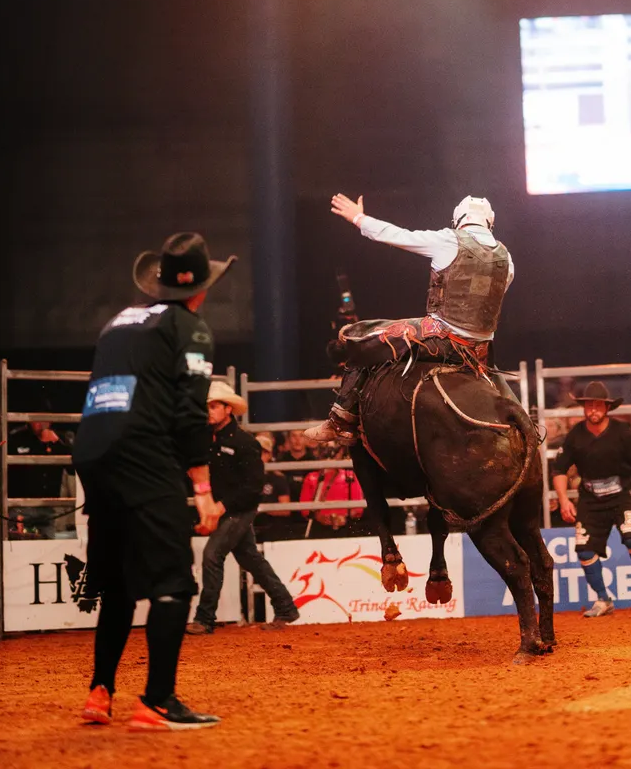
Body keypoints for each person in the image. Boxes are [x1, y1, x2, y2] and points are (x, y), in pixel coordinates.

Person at [72, 232, 234, 731]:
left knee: (118, 583)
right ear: (200, 288)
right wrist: (203, 492)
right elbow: (189, 413)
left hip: (93, 453)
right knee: (173, 582)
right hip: (142, 455)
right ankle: (158, 700)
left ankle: (100, 691)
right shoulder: (191, 327)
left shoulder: (118, 322)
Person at [306, 193, 514, 445]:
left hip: (442, 338)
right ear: (489, 223)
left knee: (360, 335)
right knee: (509, 401)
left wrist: (359, 218)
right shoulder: (506, 258)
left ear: (457, 220)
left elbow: (399, 235)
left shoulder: (449, 240)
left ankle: (341, 419)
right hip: (481, 353)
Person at [187, 382, 299, 634]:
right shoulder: (210, 438)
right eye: (207, 406)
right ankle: (285, 607)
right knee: (251, 558)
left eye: (214, 406)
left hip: (238, 509)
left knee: (212, 555)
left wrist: (221, 505)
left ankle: (204, 619)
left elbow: (254, 486)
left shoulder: (245, 442)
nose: (209, 411)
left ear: (228, 409)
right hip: (228, 509)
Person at [551, 381, 631, 617]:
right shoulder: (575, 436)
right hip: (591, 498)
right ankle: (603, 599)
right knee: (583, 549)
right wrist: (563, 499)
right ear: (583, 408)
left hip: (624, 493)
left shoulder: (623, 432)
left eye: (598, 405)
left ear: (607, 408)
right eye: (589, 405)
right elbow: (559, 469)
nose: (593, 410)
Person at [8, 411, 71, 539]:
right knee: (20, 552)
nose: (40, 423)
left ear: (50, 421)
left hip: (48, 508)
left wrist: (58, 443)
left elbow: (72, 469)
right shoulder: (16, 438)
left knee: (47, 553)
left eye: (44, 418)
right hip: (21, 507)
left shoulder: (58, 439)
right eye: (36, 418)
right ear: (29, 419)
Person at [253, 433, 292, 543]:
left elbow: (286, 510)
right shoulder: (242, 477)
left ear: (269, 455)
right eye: (256, 451)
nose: (259, 455)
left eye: (264, 452)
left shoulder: (278, 478)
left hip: (270, 529)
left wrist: (262, 509)